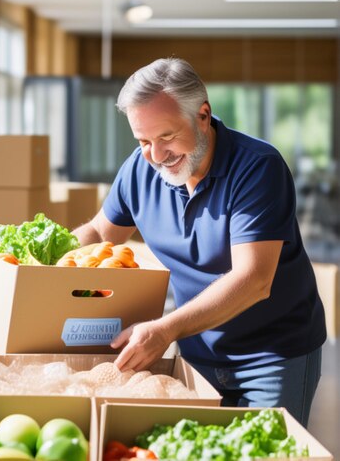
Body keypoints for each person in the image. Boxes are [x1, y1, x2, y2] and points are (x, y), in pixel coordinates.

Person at [72, 57, 326, 427]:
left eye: (167, 137)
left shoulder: (258, 168)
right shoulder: (141, 168)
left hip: (272, 355)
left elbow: (254, 279)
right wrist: (40, 258)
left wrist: (165, 329)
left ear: (203, 115)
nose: (156, 156)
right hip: (197, 353)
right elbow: (98, 234)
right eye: (143, 141)